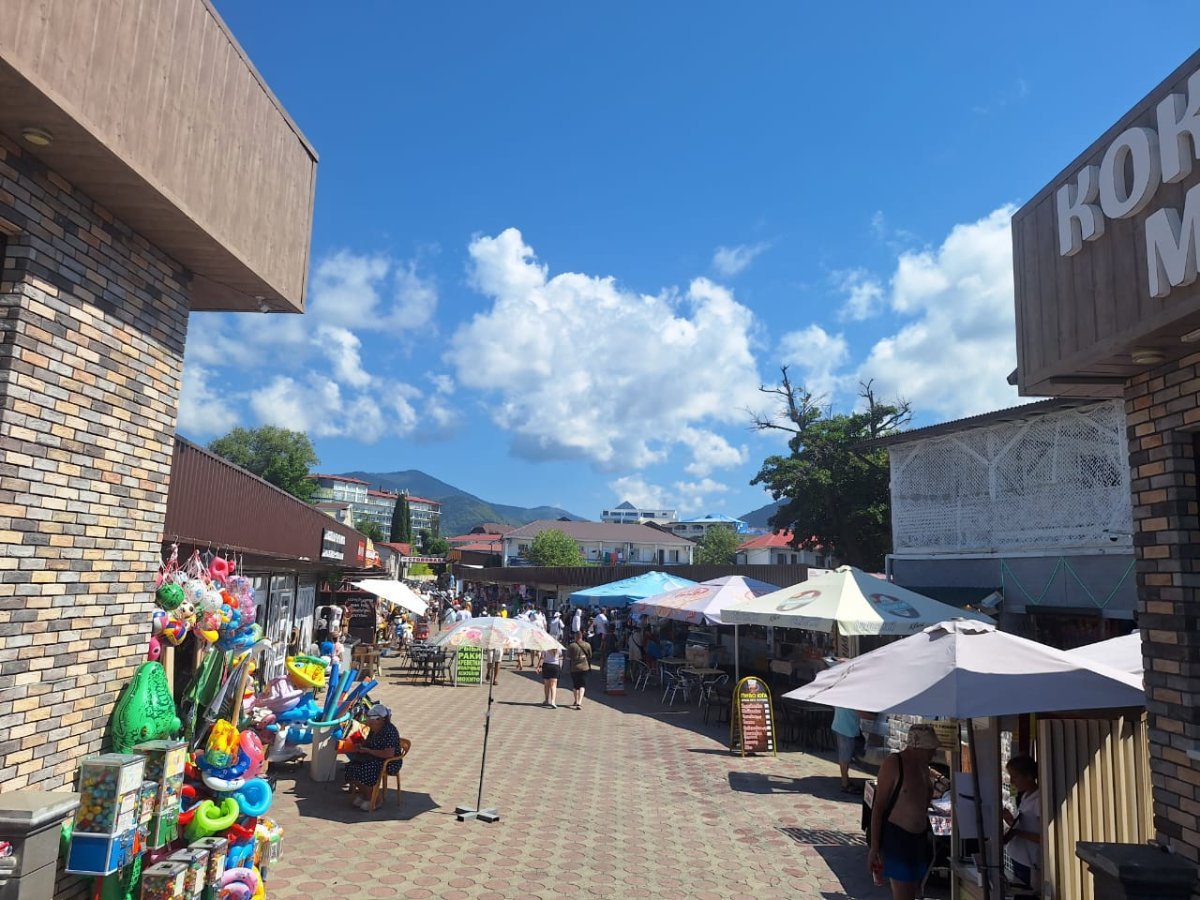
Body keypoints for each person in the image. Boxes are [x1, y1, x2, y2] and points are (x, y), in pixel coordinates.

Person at [868, 723, 938, 900]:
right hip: (898, 837)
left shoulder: (924, 767)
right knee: (903, 894)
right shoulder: (894, 764)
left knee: (915, 892)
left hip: (919, 837)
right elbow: (878, 807)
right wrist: (875, 847)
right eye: (930, 750)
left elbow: (924, 797)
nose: (933, 755)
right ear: (918, 748)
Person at [343, 703, 403, 812]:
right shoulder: (374, 728)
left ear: (380, 719)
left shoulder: (389, 731)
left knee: (364, 769)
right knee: (350, 767)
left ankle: (376, 799)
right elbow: (369, 743)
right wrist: (361, 746)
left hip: (388, 762)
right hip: (373, 757)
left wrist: (369, 751)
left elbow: (388, 754)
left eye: (371, 719)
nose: (369, 722)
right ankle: (367, 795)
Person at [1003, 754, 1041, 889]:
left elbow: (1044, 837)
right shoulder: (1025, 795)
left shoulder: (1039, 800)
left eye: (1015, 777)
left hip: (1029, 861)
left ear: (1029, 776)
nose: (1011, 781)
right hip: (1018, 856)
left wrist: (1017, 833)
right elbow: (1027, 825)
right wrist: (1010, 820)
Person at [831, 707, 861, 793]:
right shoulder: (852, 700)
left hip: (840, 725)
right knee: (845, 757)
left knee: (844, 755)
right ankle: (845, 784)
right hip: (847, 729)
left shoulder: (842, 699)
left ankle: (846, 780)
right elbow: (861, 713)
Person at [565, 631, 592, 710]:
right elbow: (590, 656)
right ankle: (579, 702)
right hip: (585, 668)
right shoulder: (587, 645)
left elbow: (568, 658)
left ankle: (576, 700)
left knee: (575, 686)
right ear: (581, 636)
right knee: (582, 685)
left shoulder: (571, 646)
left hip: (574, 668)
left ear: (575, 637)